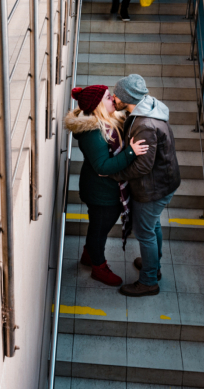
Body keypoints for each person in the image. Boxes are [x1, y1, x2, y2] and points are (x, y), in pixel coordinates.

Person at [64, 85, 149, 287]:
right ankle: (98, 267)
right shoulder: (93, 133)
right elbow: (103, 166)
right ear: (97, 105)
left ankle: (88, 255)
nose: (114, 99)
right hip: (101, 193)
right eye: (109, 97)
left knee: (98, 227)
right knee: (100, 231)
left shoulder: (107, 122)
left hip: (106, 189)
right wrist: (131, 152)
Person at [109, 74, 181, 297]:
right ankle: (154, 266)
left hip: (153, 188)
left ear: (127, 97)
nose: (114, 98)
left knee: (145, 232)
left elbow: (143, 167)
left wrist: (116, 174)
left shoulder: (145, 125)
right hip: (163, 182)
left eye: (117, 95)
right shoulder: (146, 109)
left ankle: (149, 280)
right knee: (153, 226)